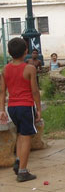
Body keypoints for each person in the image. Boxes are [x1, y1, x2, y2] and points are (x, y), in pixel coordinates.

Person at [0, 34, 43, 181]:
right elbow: (35, 91)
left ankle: (18, 161)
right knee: (26, 137)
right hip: (25, 106)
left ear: (10, 52)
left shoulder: (5, 69)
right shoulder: (29, 68)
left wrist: (1, 110)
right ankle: (23, 171)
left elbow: (2, 91)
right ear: (26, 51)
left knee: (20, 134)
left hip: (12, 107)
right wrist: (38, 109)